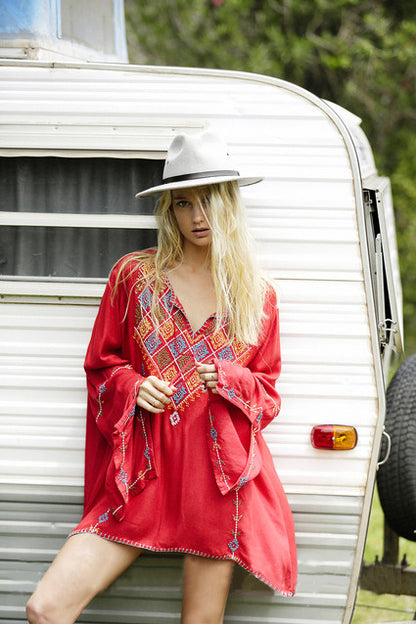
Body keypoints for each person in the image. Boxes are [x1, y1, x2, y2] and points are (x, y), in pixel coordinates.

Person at [26, 129, 297, 624]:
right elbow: (101, 367)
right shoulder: (133, 275)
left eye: (208, 201)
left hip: (214, 485)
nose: (197, 217)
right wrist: (133, 385)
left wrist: (232, 380)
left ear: (229, 204)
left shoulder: (257, 296)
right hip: (141, 477)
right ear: (168, 211)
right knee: (45, 609)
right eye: (182, 204)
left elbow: (268, 395)